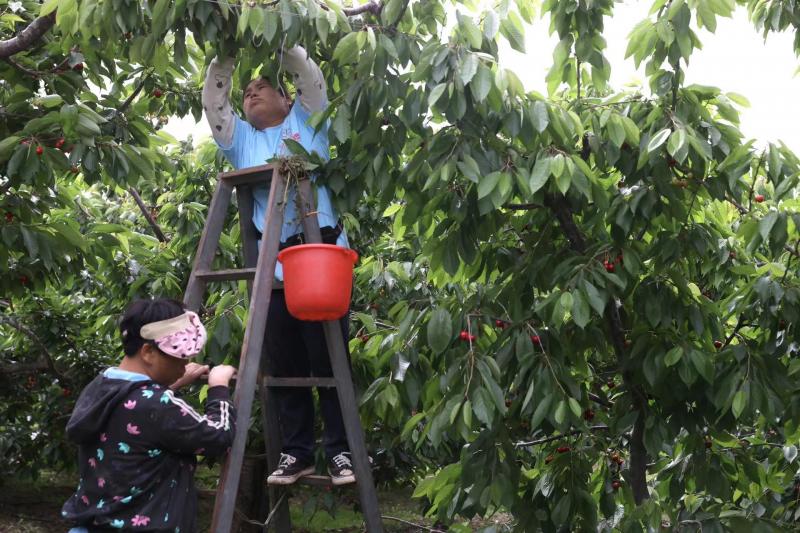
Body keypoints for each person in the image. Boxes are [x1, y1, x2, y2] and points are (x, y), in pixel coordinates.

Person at [202, 46, 357, 486]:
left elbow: (310, 78)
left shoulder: (306, 121)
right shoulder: (242, 143)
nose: (251, 93)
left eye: (262, 86)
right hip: (272, 269)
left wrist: (281, 38)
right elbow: (215, 105)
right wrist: (224, 59)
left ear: (287, 100)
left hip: (319, 257)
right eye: (246, 91)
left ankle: (341, 452)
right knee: (285, 362)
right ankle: (297, 453)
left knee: (327, 358)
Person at [61, 298, 237, 532]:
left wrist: (170, 386)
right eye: (179, 356)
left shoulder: (100, 387)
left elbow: (132, 412)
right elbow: (218, 437)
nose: (184, 365)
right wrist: (219, 388)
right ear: (148, 352)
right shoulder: (158, 404)